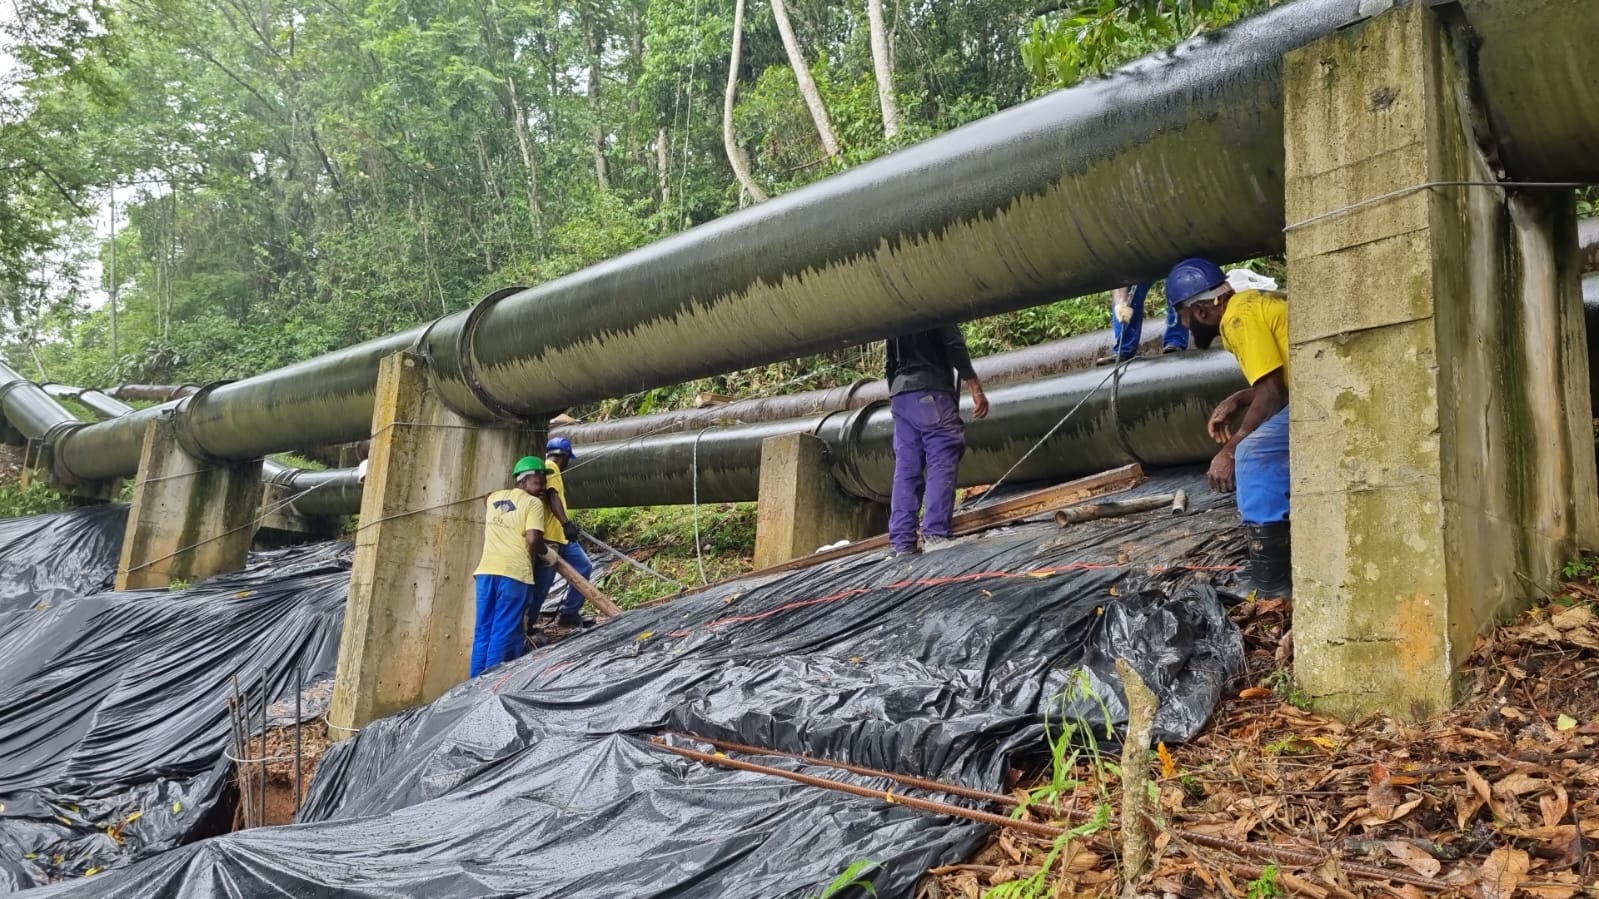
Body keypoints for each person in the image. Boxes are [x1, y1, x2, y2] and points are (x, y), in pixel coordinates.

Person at [1165, 257, 1290, 597]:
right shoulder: (1252, 304)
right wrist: (1238, 398)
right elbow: (1280, 379)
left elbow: (1274, 393)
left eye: (1186, 319)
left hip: (1318, 398)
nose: (1189, 329)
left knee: (1252, 453)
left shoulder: (1237, 319)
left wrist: (1231, 448)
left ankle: (1273, 581)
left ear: (1202, 310)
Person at [886, 326, 990, 556]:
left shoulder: (893, 308)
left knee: (907, 467)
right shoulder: (934, 300)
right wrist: (974, 385)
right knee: (943, 452)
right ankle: (936, 533)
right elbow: (953, 343)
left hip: (901, 395)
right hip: (930, 389)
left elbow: (889, 360)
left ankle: (902, 542)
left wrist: (897, 393)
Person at [470, 456, 558, 677]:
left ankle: (472, 686)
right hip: (514, 575)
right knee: (502, 631)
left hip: (486, 573)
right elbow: (532, 539)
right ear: (523, 482)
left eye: (543, 482)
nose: (542, 488)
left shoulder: (494, 499)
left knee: (483, 631)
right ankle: (488, 689)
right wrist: (549, 556)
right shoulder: (533, 504)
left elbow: (486, 497)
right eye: (537, 482)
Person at [537, 436, 596, 629]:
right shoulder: (551, 466)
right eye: (568, 460)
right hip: (549, 538)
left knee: (584, 566)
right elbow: (552, 495)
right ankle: (529, 626)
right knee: (542, 585)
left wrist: (566, 526)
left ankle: (570, 613)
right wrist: (566, 523)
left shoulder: (550, 468)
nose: (567, 464)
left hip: (560, 537)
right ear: (563, 457)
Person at [1098, 281, 1190, 365]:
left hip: (1171, 263)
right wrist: (1121, 303)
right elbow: (1121, 276)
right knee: (1132, 294)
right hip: (1139, 267)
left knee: (1179, 282)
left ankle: (1175, 342)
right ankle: (1124, 349)